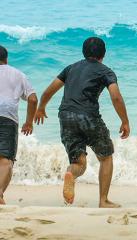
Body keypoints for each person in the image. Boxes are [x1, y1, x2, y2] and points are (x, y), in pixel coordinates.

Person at [34, 37, 130, 208]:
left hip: (66, 116)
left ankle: (71, 173)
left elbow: (49, 90)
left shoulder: (71, 68)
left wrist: (41, 108)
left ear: (84, 52)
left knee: (79, 163)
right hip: (88, 116)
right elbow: (115, 96)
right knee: (106, 157)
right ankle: (103, 200)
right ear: (103, 54)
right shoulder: (105, 71)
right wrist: (124, 121)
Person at [0, 45, 38, 205]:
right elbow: (33, 99)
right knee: (6, 160)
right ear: (6, 58)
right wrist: (29, 122)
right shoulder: (17, 74)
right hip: (7, 117)